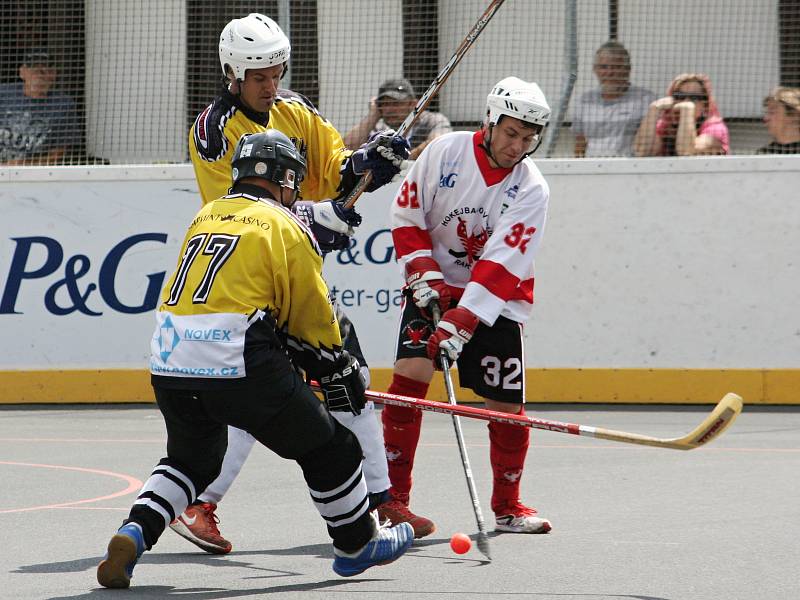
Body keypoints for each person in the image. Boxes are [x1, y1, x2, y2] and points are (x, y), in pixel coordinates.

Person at [96, 130, 413, 589]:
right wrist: (337, 365)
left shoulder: (207, 215)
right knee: (332, 450)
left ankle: (134, 531)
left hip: (170, 358)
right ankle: (356, 544)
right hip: (237, 358)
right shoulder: (287, 226)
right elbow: (311, 313)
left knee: (190, 460)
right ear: (285, 178)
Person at [174, 13, 415, 555]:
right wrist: (318, 216)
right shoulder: (213, 131)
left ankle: (383, 501)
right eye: (259, 76)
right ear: (232, 75)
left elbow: (339, 170)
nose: (270, 85)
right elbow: (240, 210)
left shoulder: (296, 111)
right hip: (250, 281)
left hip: (293, 271)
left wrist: (374, 160)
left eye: (276, 72)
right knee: (267, 393)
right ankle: (200, 503)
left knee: (344, 372)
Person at [376, 76, 553, 538]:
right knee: (407, 381)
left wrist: (463, 320)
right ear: (491, 121)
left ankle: (508, 505)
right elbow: (407, 214)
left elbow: (502, 264)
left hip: (495, 302)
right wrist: (424, 274)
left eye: (528, 138)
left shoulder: (532, 189)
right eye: (512, 133)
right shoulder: (445, 153)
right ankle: (393, 502)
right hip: (431, 289)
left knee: (504, 407)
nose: (518, 146)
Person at [572, 41, 655, 157]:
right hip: (592, 167)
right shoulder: (584, 101)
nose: (610, 72)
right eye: (603, 67)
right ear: (595, 70)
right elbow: (579, 144)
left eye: (616, 67)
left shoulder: (645, 100)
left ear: (628, 69)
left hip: (629, 167)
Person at [0, 49, 79, 165]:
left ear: (54, 74)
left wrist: (20, 165)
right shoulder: (3, 94)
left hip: (35, 172)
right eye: (34, 68)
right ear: (22, 72)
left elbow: (58, 154)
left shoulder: (63, 105)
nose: (40, 73)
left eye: (46, 68)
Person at [343, 78, 452, 160]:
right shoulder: (378, 129)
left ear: (413, 104)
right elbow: (345, 150)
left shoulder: (433, 120)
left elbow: (439, 142)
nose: (389, 109)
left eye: (396, 103)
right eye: (384, 104)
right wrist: (373, 116)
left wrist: (402, 163)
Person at [633, 72, 729, 156]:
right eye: (680, 96)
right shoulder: (665, 126)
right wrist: (653, 109)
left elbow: (686, 152)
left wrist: (687, 110)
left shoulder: (715, 128)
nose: (685, 101)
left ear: (705, 104)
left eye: (694, 98)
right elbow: (642, 151)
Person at [757, 86, 800, 154]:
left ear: (794, 115)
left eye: (772, 112)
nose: (765, 118)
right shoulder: (763, 154)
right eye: (767, 113)